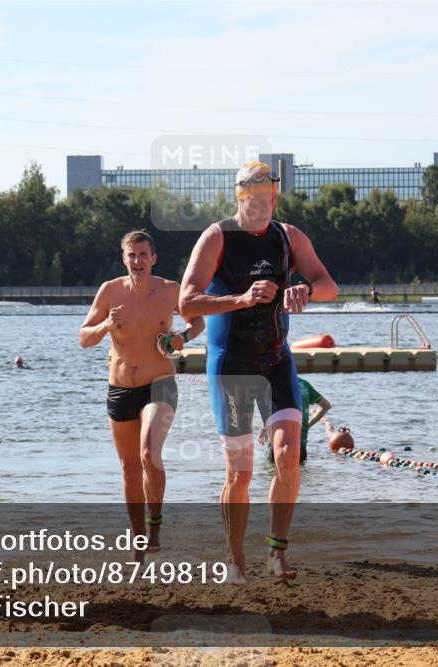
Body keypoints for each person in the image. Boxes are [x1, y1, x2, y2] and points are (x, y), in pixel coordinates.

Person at [179, 160, 336, 583]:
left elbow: (329, 284)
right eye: (255, 199)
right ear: (241, 197)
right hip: (231, 366)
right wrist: (242, 299)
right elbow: (187, 302)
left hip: (276, 361)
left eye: (269, 199)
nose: (263, 207)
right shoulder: (217, 238)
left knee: (288, 456)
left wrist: (306, 289)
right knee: (241, 472)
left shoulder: (289, 237)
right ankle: (234, 560)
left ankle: (276, 553)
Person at [80, 230, 204, 558]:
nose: (137, 261)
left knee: (149, 454)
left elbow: (198, 321)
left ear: (153, 258)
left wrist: (182, 337)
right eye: (131, 255)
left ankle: (155, 527)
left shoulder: (170, 291)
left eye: (143, 255)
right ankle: (138, 542)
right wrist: (106, 325)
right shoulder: (110, 292)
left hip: (159, 383)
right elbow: (84, 338)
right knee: (130, 468)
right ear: (124, 259)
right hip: (120, 388)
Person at [261, 377, 332, 464]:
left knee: (272, 473)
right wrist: (308, 425)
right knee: (301, 474)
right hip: (300, 446)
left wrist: (263, 429)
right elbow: (326, 405)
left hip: (279, 444)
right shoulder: (305, 384)